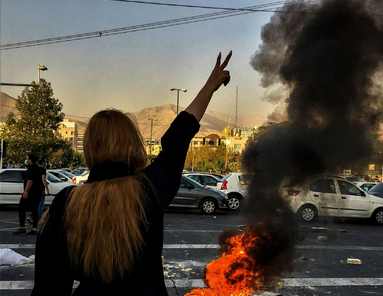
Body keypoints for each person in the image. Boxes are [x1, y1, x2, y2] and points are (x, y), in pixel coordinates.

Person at [31, 51, 232, 295]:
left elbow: (48, 288)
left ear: (90, 149)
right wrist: (210, 86)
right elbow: (178, 137)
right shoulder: (150, 188)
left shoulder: (67, 203)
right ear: (133, 143)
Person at [12, 154, 43, 235]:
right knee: (34, 210)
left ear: (30, 160)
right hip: (37, 192)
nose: (26, 160)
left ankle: (22, 227)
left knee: (21, 207)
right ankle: (34, 229)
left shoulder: (31, 169)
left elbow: (30, 180)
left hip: (31, 193)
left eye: (27, 159)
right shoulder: (38, 168)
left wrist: (26, 191)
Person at [27, 158, 50, 224]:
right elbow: (43, 179)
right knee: (40, 205)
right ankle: (38, 218)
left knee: (36, 204)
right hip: (41, 189)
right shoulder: (42, 170)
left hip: (35, 188)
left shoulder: (36, 168)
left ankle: (31, 215)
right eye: (45, 162)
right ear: (43, 163)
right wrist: (47, 189)